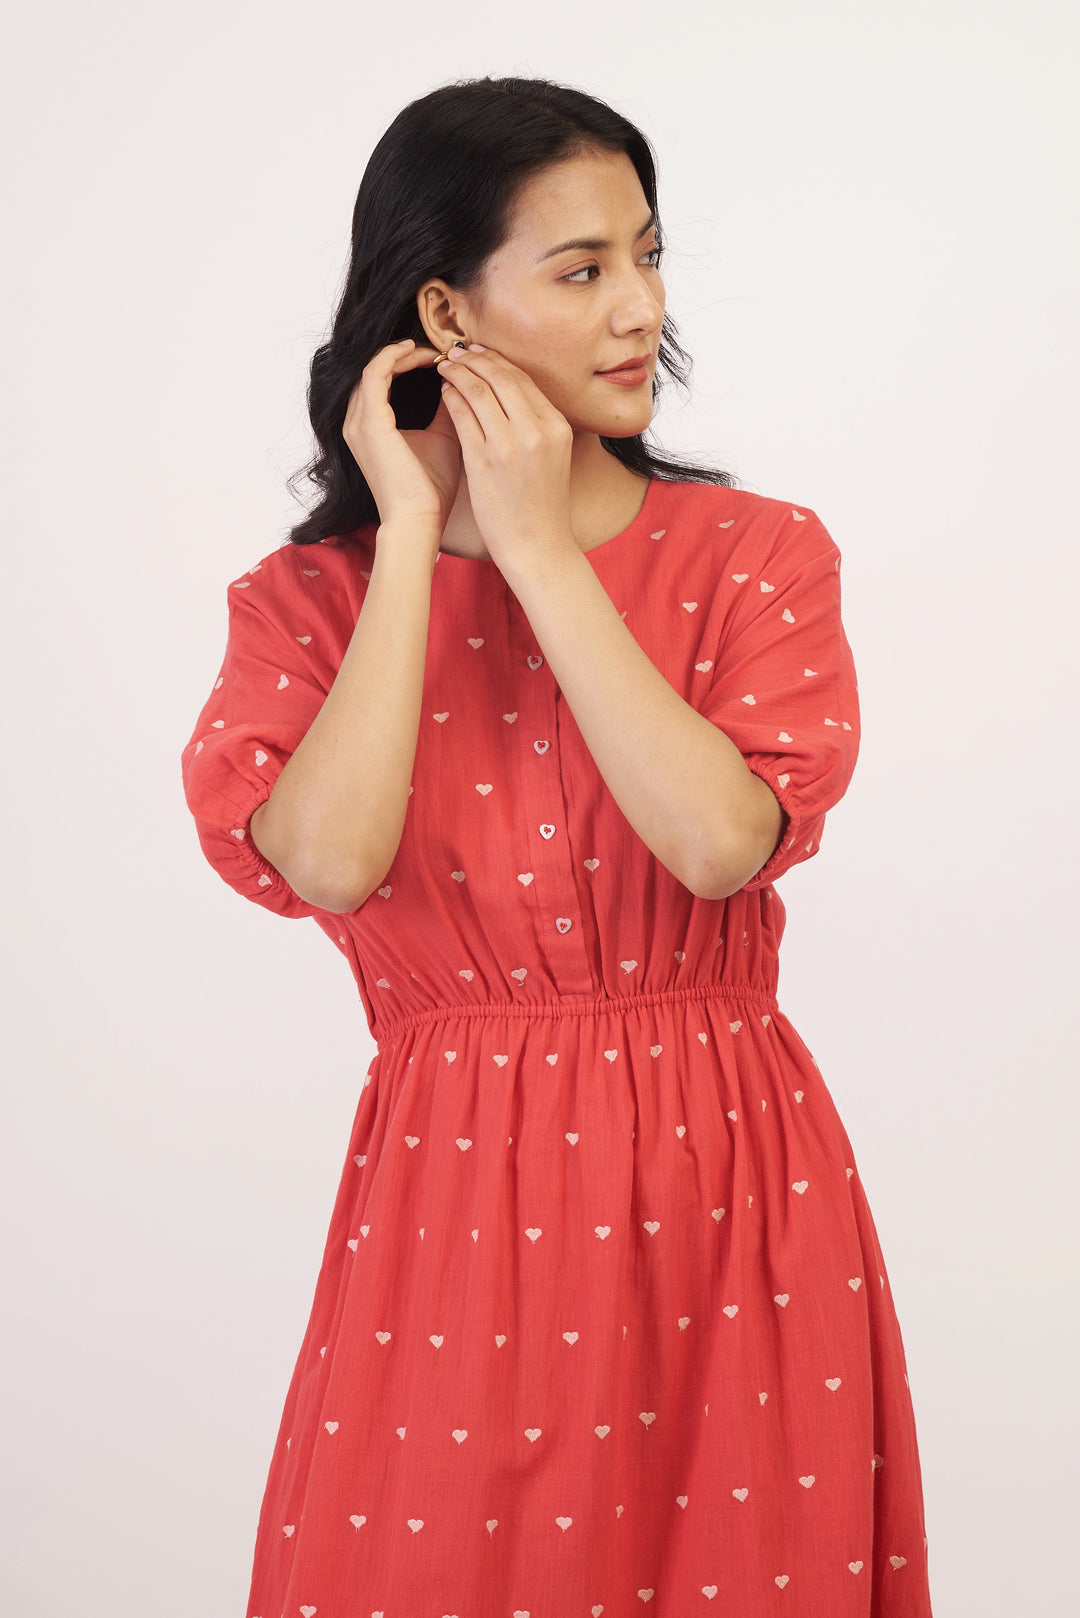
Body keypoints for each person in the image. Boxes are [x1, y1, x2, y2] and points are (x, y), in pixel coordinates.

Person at [181, 74, 933, 1618]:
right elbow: (326, 861)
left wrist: (534, 546)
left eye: (647, 256)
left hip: (729, 1190)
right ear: (445, 312)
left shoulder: (757, 557)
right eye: (583, 270)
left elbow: (719, 843)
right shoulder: (306, 606)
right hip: (452, 1215)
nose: (639, 307)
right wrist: (414, 534)